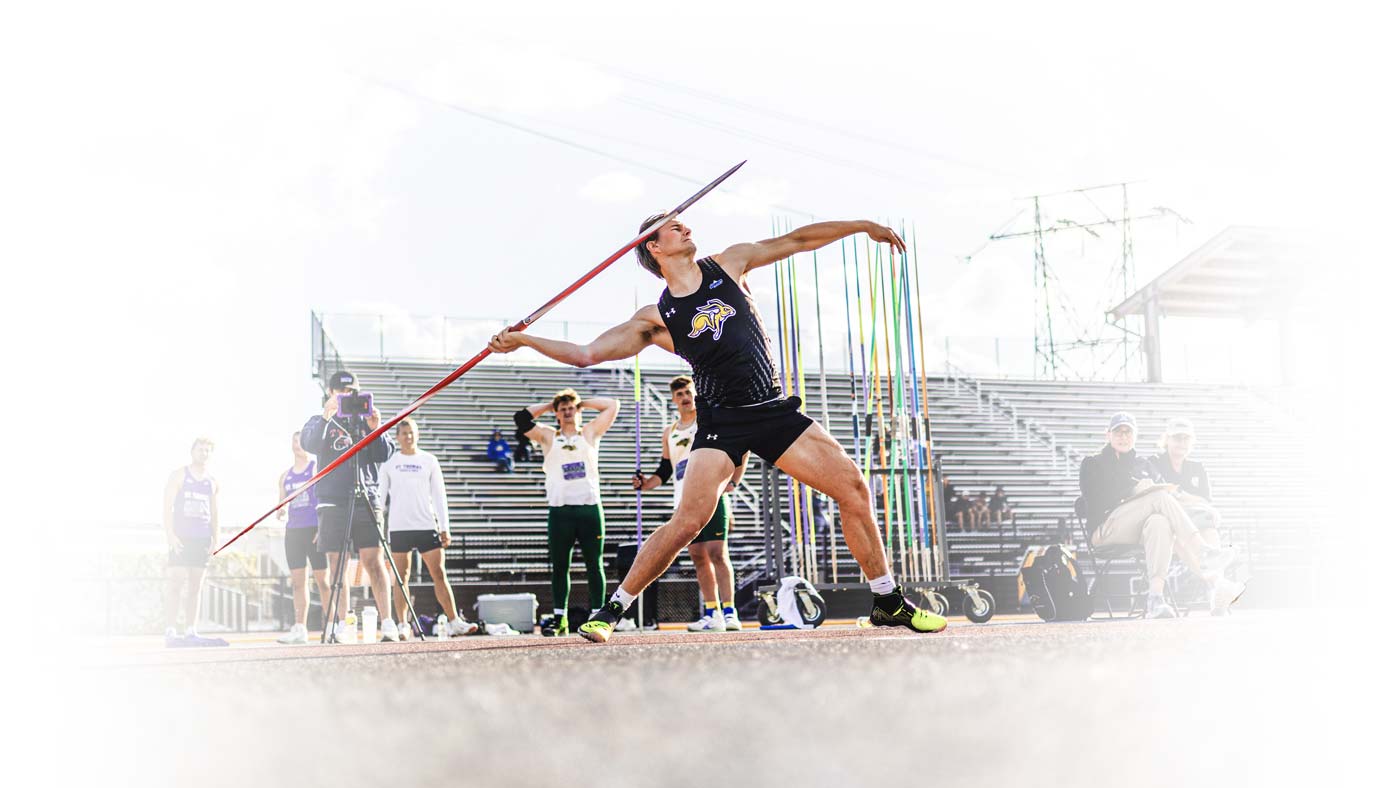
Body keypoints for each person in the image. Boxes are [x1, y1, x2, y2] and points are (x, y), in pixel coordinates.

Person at [490, 216, 946, 642]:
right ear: (654, 248)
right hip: (721, 421)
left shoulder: (729, 264)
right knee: (690, 520)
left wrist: (861, 227)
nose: (685, 226)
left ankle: (888, 600)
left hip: (772, 410)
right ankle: (613, 610)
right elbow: (586, 353)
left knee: (853, 489)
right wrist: (523, 339)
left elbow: (797, 241)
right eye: (673, 227)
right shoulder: (657, 317)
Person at [1079, 412, 1244, 619]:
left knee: (1160, 521)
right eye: (1118, 432)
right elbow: (1095, 501)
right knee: (1156, 494)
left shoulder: (1142, 465)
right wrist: (1133, 490)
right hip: (1106, 529)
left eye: (1128, 432)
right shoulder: (1092, 463)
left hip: (1134, 531)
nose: (1123, 437)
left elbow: (1170, 495)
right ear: (1108, 435)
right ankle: (1203, 552)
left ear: (1135, 435)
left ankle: (1155, 599)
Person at [632, 375, 747, 633]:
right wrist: (645, 483)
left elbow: (741, 447)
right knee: (697, 556)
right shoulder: (669, 433)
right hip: (683, 501)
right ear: (674, 399)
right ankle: (712, 613)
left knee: (717, 552)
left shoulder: (708, 421)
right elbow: (665, 471)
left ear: (695, 393)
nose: (685, 398)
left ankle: (730, 612)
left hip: (712, 494)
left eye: (688, 392)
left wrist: (734, 481)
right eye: (680, 394)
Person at [300, 370, 399, 644]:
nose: (346, 396)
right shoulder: (319, 420)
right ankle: (342, 623)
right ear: (331, 393)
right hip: (333, 500)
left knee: (374, 560)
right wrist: (326, 416)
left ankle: (388, 622)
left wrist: (374, 427)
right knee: (337, 564)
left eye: (351, 391)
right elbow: (308, 444)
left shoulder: (366, 419)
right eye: (341, 392)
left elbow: (385, 453)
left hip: (365, 497)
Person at [514, 389, 620, 636]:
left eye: (571, 408)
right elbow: (521, 419)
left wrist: (581, 403)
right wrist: (550, 405)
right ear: (556, 413)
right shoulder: (549, 436)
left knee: (595, 565)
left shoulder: (590, 433)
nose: (567, 412)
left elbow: (612, 405)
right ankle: (560, 618)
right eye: (562, 409)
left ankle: (597, 616)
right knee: (560, 566)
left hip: (589, 508)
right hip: (560, 510)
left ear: (578, 410)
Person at [380, 419, 477, 639]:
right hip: (399, 527)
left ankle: (454, 621)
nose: (408, 437)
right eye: (404, 433)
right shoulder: (389, 462)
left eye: (412, 432)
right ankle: (403, 625)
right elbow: (381, 495)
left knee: (439, 573)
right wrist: (381, 529)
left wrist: (445, 527)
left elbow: (439, 495)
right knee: (401, 577)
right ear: (397, 436)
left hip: (426, 525)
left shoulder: (429, 460)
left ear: (418, 434)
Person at [1149, 417, 1244, 615]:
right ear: (1166, 439)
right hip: (1165, 530)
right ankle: (1216, 585)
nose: (1181, 442)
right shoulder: (1154, 463)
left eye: (1186, 438)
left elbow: (1205, 503)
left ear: (1191, 442)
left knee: (1209, 528)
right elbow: (1162, 496)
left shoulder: (1197, 467)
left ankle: (1216, 591)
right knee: (1175, 533)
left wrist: (1180, 496)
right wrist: (1187, 498)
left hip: (1195, 525)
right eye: (1177, 438)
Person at [162, 437, 228, 647]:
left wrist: (215, 539)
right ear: (192, 451)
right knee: (175, 582)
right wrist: (171, 536)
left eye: (208, 450)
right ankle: (171, 629)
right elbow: (167, 508)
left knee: (195, 587)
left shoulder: (212, 481)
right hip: (182, 538)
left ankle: (191, 629)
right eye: (201, 449)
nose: (204, 453)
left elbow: (215, 512)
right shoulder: (179, 475)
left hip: (201, 539)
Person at [276, 432, 332, 645]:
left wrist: (322, 527)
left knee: (323, 582)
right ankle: (300, 628)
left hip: (313, 530)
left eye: (301, 440)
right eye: (294, 440)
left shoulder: (315, 468)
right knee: (298, 583)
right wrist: (280, 511)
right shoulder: (285, 476)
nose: (297, 444)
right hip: (294, 532)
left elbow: (324, 497)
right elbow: (281, 504)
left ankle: (331, 626)